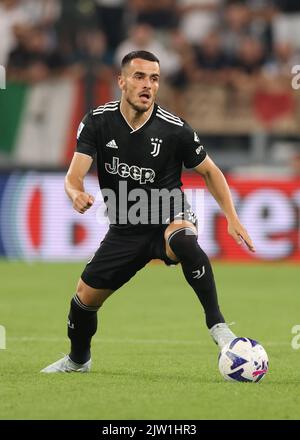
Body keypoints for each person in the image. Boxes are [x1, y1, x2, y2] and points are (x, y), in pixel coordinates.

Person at [41, 50, 255, 373]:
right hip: (125, 230)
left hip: (168, 213)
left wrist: (232, 216)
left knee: (183, 239)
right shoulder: (97, 122)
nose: (148, 85)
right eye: (139, 77)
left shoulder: (175, 129)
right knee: (84, 300)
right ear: (122, 81)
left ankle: (218, 327)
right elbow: (73, 176)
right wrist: (76, 194)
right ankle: (78, 360)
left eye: (154, 78)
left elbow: (211, 171)